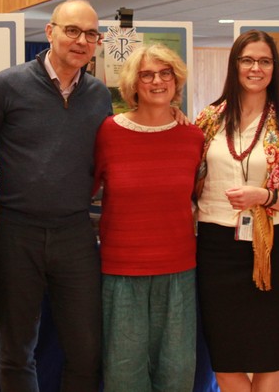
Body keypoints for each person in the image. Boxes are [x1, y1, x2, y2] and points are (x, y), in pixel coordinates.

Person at [0, 0, 113, 392]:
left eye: (91, 34)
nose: (81, 40)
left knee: (85, 350)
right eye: (72, 30)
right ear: (50, 32)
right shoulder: (7, 85)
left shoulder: (99, 95)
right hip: (16, 232)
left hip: (74, 233)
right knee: (17, 349)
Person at [194, 29, 279, 392]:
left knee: (268, 354)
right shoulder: (210, 119)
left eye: (264, 61)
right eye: (247, 60)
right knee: (224, 358)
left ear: (274, 67)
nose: (255, 68)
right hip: (215, 247)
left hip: (270, 248)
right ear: (235, 65)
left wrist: (265, 196)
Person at [93, 44, 204, 392]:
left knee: (177, 373)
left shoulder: (193, 136)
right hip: (122, 272)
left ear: (176, 80)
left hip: (178, 271)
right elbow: (83, 190)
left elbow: (201, 195)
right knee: (124, 376)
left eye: (165, 73)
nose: (158, 81)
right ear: (133, 84)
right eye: (147, 75)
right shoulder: (108, 132)